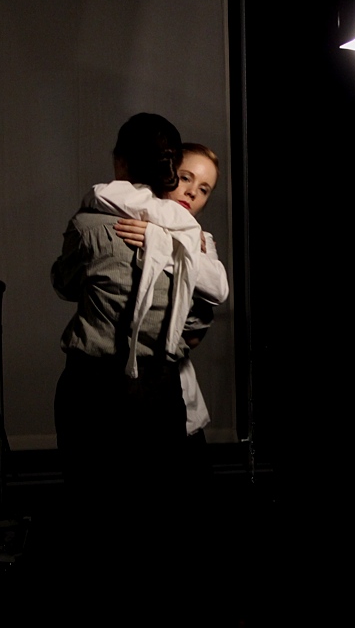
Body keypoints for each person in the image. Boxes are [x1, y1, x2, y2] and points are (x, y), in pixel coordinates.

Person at [51, 113, 200, 522]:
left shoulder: (87, 224)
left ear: (120, 162)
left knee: (93, 507)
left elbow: (65, 285)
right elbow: (204, 304)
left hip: (93, 389)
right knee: (156, 510)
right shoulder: (188, 232)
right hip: (160, 390)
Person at [104, 143, 228, 491]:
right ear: (167, 175)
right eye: (186, 178)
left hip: (175, 388)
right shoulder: (130, 221)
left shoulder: (200, 239)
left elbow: (217, 288)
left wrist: (161, 242)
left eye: (204, 188)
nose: (192, 192)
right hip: (125, 382)